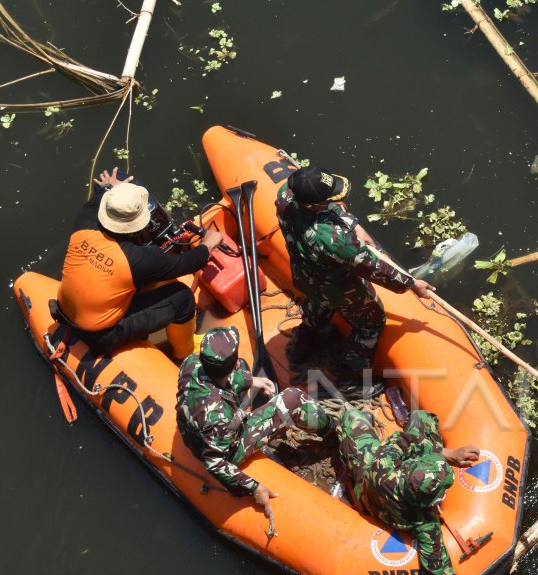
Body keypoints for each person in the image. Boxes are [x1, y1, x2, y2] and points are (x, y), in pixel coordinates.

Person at [275, 166, 434, 378]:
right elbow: (374, 268)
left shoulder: (286, 194)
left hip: (305, 276)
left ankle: (306, 339)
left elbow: (329, 207)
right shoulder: (333, 238)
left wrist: (354, 224)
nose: (333, 199)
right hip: (335, 287)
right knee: (372, 322)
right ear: (313, 203)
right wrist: (411, 284)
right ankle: (350, 374)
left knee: (318, 304)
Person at [55, 168, 223, 360]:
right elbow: (188, 263)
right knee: (182, 298)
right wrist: (208, 244)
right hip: (100, 335)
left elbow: (102, 194)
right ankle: (185, 352)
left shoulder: (85, 217)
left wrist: (113, 189)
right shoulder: (139, 259)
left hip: (65, 309)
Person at [336, 406, 480, 575]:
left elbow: (401, 441)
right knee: (422, 418)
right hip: (372, 500)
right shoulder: (422, 522)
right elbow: (437, 571)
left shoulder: (385, 461)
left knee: (351, 417)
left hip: (366, 479)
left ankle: (350, 427)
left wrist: (444, 454)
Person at [177, 326, 334, 515]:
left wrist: (252, 380)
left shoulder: (190, 363)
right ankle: (331, 429)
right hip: (225, 446)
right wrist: (254, 487)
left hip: (198, 427)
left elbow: (215, 381)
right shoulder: (219, 418)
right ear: (230, 366)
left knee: (244, 366)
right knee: (293, 398)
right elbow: (214, 462)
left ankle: (242, 409)